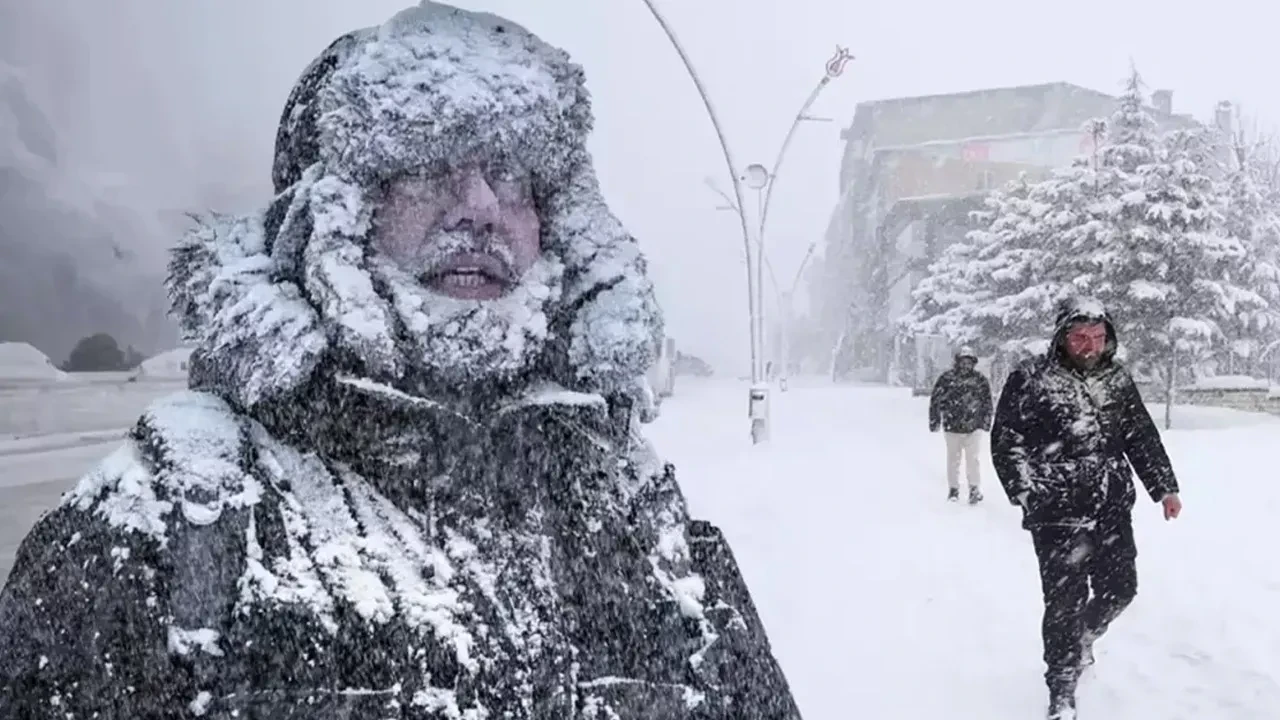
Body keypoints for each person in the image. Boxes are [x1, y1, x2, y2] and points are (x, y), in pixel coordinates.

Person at [0, 4, 803, 718]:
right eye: (424, 165)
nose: (482, 207)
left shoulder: (631, 504)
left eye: (513, 175)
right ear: (328, 214)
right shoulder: (171, 526)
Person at [991, 297, 1182, 720]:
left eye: (1097, 337)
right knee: (1064, 604)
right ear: (1062, 337)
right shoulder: (1031, 378)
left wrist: (1164, 487)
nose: (1090, 345)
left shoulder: (1117, 379)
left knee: (1121, 589)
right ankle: (1061, 688)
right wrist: (1026, 491)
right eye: (1080, 337)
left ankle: (1084, 637)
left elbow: (1141, 436)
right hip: (1057, 512)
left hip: (1112, 507)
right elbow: (1007, 440)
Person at [928, 346, 993, 504]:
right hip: (952, 427)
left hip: (973, 427)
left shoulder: (980, 380)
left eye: (968, 362)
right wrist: (934, 420)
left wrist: (986, 421)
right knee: (953, 459)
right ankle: (953, 490)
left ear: (973, 363)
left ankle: (974, 489)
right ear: (957, 362)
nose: (965, 365)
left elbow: (987, 402)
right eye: (962, 362)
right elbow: (936, 400)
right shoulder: (947, 379)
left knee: (973, 460)